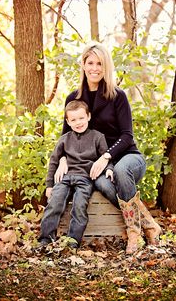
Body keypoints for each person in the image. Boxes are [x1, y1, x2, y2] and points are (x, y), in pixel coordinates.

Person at [55, 41, 161, 254]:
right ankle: (150, 225)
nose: (95, 68)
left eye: (100, 64)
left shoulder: (117, 96)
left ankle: (134, 233)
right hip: (100, 165)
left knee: (121, 171)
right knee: (102, 183)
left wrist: (105, 156)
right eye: (90, 63)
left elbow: (127, 136)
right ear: (83, 65)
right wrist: (63, 159)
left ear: (106, 67)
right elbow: (65, 136)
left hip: (128, 156)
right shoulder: (73, 98)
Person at [38, 100, 113, 251]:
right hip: (64, 178)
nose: (78, 122)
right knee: (55, 202)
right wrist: (49, 185)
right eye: (73, 120)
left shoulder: (98, 137)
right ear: (68, 121)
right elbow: (53, 162)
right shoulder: (64, 139)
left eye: (81, 118)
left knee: (79, 206)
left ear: (88, 117)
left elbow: (105, 157)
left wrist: (109, 169)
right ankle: (46, 238)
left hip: (85, 179)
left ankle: (73, 240)